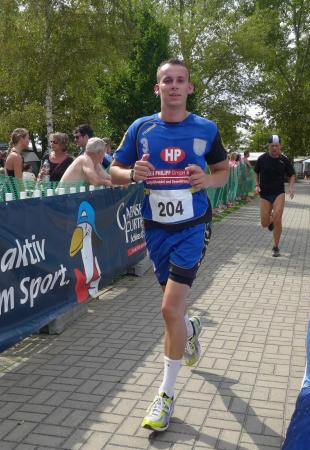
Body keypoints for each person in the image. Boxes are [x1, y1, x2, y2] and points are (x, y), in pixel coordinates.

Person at [109, 58, 229, 432]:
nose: (174, 86)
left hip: (192, 227)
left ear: (189, 88)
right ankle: (190, 330)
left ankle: (165, 394)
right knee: (175, 314)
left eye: (180, 80)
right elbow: (114, 172)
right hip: (155, 229)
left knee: (168, 309)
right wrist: (131, 173)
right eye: (167, 80)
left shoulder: (206, 128)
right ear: (157, 88)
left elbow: (223, 172)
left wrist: (206, 180)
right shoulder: (141, 128)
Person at [253, 134, 295, 257]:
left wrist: (291, 187)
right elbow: (255, 172)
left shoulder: (284, 160)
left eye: (276, 146)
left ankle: (275, 247)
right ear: (268, 146)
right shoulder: (262, 159)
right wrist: (256, 185)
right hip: (265, 194)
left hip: (278, 193)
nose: (274, 148)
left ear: (280, 146)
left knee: (278, 218)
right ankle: (270, 220)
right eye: (272, 146)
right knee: (264, 223)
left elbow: (292, 174)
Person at [4, 128, 30, 193]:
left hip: (9, 193)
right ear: (21, 139)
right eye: (27, 138)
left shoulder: (13, 153)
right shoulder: (16, 156)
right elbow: (19, 183)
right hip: (13, 194)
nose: (29, 141)